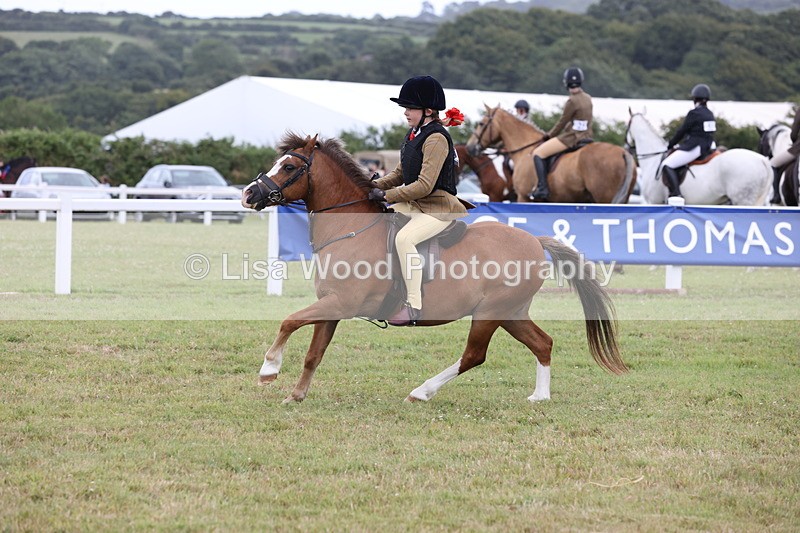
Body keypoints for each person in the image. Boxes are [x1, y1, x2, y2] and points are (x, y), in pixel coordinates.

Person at [369, 75, 468, 326]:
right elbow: (400, 174)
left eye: (410, 107)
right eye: (405, 107)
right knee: (379, 219)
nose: (405, 112)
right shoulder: (414, 133)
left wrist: (388, 195)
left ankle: (413, 305)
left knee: (405, 239)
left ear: (428, 111)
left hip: (439, 208)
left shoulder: (436, 139)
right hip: (417, 204)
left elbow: (424, 185)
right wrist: (371, 186)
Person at [530, 67, 593, 201]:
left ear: (566, 83)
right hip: (587, 136)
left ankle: (542, 188)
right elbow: (584, 120)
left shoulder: (572, 101)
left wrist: (549, 135)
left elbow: (562, 122)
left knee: (538, 153)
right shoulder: (588, 98)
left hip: (572, 138)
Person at [661, 84, 717, 198]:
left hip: (696, 147)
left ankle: (676, 194)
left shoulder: (694, 113)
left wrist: (670, 145)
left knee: (667, 164)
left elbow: (682, 131)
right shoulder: (710, 114)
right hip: (709, 146)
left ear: (695, 99)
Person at [768, 107, 800, 204]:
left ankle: (776, 195)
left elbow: (794, 133)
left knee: (772, 163)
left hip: (798, 148)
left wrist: (795, 143)